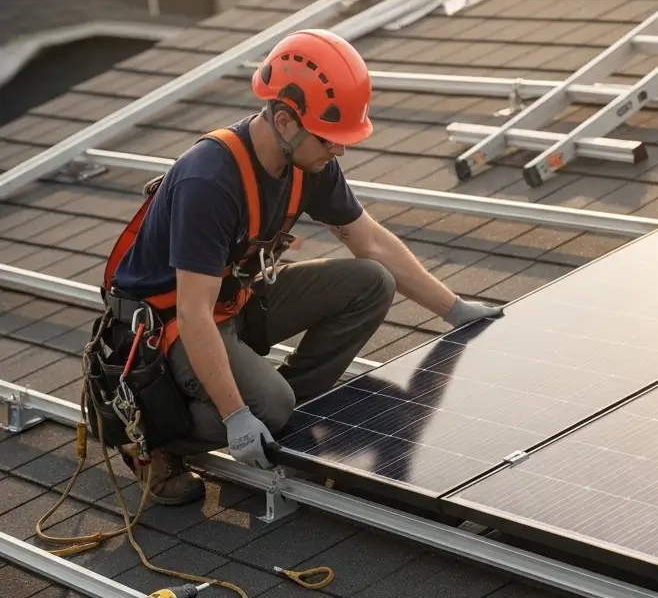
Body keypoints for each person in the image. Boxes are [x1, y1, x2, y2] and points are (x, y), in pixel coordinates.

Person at [102, 28, 502, 505]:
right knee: (265, 405)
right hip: (169, 330)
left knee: (371, 283)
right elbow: (192, 314)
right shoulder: (209, 180)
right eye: (330, 139)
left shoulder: (307, 163)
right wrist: (235, 417)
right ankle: (155, 440)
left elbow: (370, 241)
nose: (340, 150)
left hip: (234, 302)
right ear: (287, 120)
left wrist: (455, 310)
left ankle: (279, 414)